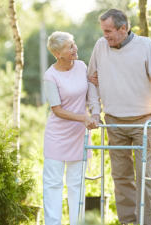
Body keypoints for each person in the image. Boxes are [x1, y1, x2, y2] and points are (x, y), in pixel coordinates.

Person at [87, 9, 151, 225]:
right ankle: (128, 222)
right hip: (114, 121)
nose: (105, 35)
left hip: (143, 121)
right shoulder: (100, 46)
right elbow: (91, 79)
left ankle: (145, 222)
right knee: (121, 176)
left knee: (144, 176)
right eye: (103, 31)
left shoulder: (145, 47)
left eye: (109, 31)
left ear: (123, 28)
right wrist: (95, 111)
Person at [43, 31, 97, 225]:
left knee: (77, 185)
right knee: (53, 185)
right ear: (58, 54)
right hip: (57, 136)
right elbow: (57, 109)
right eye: (69, 47)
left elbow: (91, 90)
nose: (75, 49)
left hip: (78, 135)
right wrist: (83, 117)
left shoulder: (82, 66)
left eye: (73, 44)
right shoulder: (50, 75)